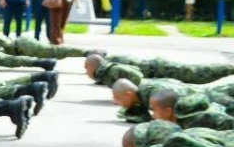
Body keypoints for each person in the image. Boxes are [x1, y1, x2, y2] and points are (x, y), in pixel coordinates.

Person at [85, 52, 234, 87]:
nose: (86, 73)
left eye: (87, 69)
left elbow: (136, 76)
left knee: (197, 74)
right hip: (157, 68)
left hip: (161, 69)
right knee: (196, 76)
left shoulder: (111, 69)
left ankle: (230, 68)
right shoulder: (108, 67)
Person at [0, 27, 94, 60]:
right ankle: (85, 53)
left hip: (23, 47)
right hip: (22, 43)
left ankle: (87, 53)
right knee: (54, 50)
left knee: (54, 51)